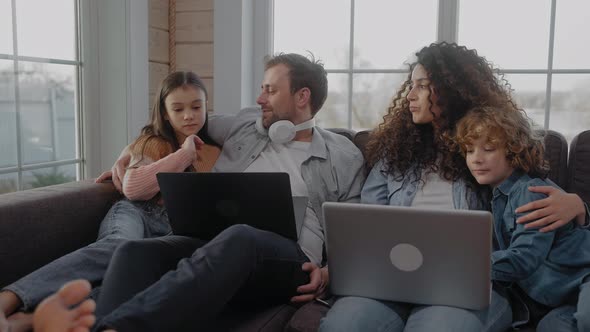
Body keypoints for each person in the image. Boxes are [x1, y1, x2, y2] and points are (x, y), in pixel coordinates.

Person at [319, 42, 589, 332]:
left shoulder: (491, 150)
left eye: (422, 86)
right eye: (411, 86)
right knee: (344, 324)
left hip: (468, 285)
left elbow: (531, 196)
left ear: (451, 89)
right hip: (391, 280)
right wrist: (333, 269)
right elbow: (366, 228)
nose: (410, 95)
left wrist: (580, 205)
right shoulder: (394, 155)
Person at [87, 52, 365, 331]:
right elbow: (180, 119)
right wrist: (130, 153)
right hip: (213, 244)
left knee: (240, 236)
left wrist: (330, 273)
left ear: (302, 96)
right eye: (261, 89)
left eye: (270, 90)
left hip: (291, 260)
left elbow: (355, 230)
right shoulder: (245, 125)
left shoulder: (341, 155)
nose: (260, 99)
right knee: (132, 252)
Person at [0, 71, 220, 332]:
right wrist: (184, 155)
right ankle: (8, 299)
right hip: (136, 211)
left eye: (197, 107)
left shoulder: (216, 153)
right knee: (118, 245)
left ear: (207, 107)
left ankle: (33, 321)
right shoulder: (152, 142)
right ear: (164, 113)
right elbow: (134, 188)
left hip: (171, 229)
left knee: (141, 273)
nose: (188, 115)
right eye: (178, 108)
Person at [455, 106, 590, 332]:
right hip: (564, 296)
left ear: (514, 151)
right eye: (469, 150)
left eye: (488, 148)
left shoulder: (530, 191)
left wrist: (464, 266)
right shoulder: (493, 197)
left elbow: (524, 259)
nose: (476, 159)